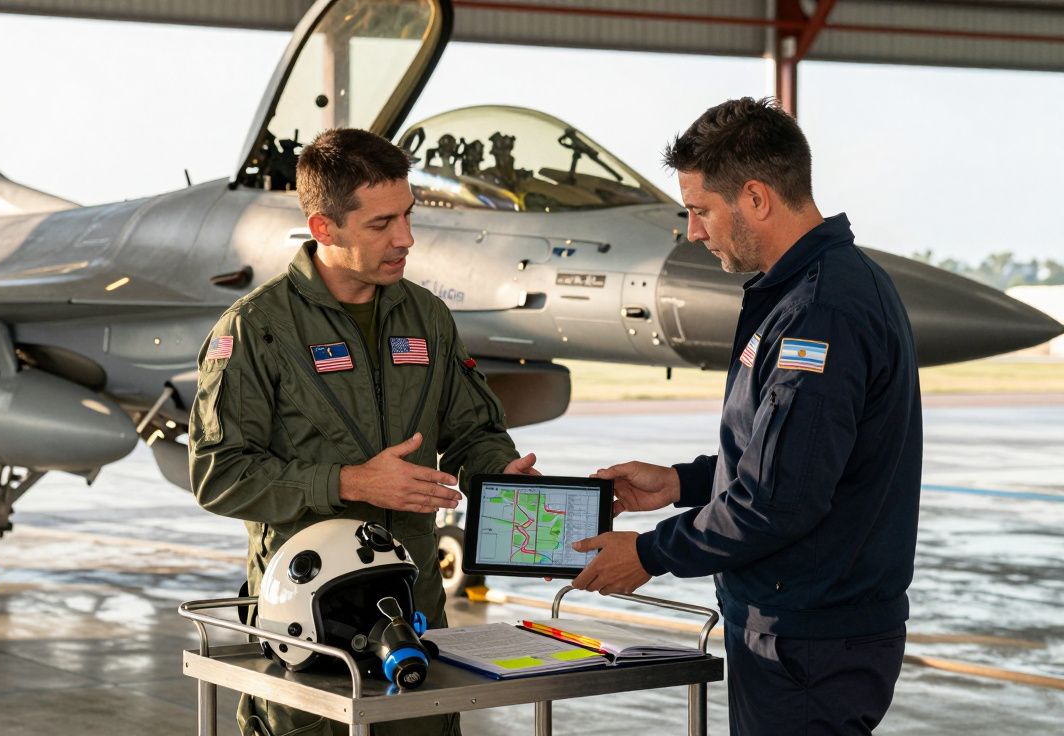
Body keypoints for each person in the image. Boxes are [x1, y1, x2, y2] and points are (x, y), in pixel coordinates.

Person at [569, 97, 922, 734]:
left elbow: (780, 500)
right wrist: (680, 483)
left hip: (809, 641)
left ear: (755, 198)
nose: (694, 232)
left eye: (701, 210)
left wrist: (649, 553)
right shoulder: (806, 292)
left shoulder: (821, 311)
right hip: (802, 629)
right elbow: (791, 458)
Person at [189, 127, 539, 736]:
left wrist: (499, 470)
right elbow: (218, 474)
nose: (405, 238)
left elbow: (471, 429)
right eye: (381, 224)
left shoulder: (425, 316)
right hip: (309, 624)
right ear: (324, 228)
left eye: (407, 215)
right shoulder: (257, 330)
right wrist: (353, 482)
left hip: (415, 616)